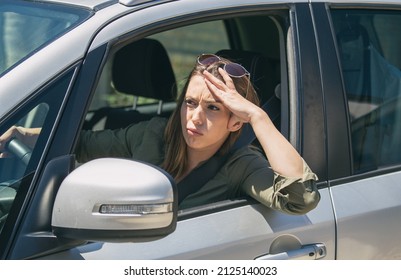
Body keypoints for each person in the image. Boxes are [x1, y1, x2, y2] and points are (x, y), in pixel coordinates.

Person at [0, 54, 320, 214]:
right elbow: (81, 144)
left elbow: (301, 198)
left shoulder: (242, 164)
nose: (194, 118)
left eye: (213, 109)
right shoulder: (153, 134)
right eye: (190, 103)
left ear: (235, 122)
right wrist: (24, 133)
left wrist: (258, 116)